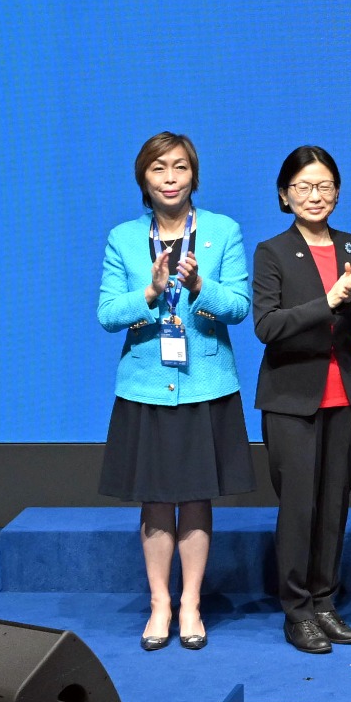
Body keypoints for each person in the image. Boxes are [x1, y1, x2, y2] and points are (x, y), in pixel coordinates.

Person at [96, 132, 253, 654]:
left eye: (179, 168)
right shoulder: (122, 238)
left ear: (194, 176)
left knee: (196, 496)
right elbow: (106, 315)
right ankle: (159, 603)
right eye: (158, 168)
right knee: (156, 498)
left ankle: (191, 603)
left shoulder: (222, 231)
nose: (169, 178)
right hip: (145, 386)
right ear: (144, 177)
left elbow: (239, 307)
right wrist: (150, 292)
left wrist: (199, 286)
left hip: (205, 383)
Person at [252, 146, 351, 655]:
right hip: (291, 399)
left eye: (325, 186)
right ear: (285, 196)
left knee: (334, 505)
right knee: (300, 507)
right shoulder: (272, 252)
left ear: (338, 192)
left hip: (345, 396)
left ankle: (326, 602)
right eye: (303, 187)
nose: (315, 196)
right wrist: (325, 302)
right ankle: (297, 610)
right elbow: (268, 326)